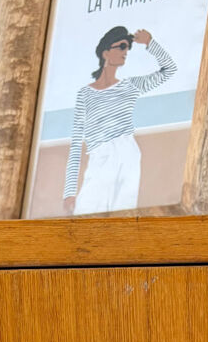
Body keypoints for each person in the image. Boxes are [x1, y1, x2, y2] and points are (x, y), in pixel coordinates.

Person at [63, 26, 177, 215]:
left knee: (122, 215)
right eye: (121, 47)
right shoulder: (85, 94)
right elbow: (76, 143)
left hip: (127, 151)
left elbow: (169, 70)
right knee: (86, 215)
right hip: (100, 155)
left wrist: (150, 43)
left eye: (128, 48)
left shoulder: (130, 86)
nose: (126, 52)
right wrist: (69, 191)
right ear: (106, 52)